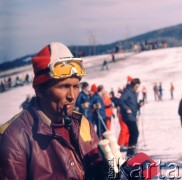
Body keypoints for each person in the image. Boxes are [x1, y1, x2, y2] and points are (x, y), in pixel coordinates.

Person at [0, 42, 105, 179]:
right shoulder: (14, 138)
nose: (72, 96)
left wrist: (111, 172)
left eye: (76, 86)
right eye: (63, 87)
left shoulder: (82, 124)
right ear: (40, 91)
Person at [119, 78, 142, 158]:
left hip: (132, 115)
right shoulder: (128, 92)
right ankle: (130, 151)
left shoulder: (133, 93)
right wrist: (126, 108)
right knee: (135, 133)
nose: (137, 88)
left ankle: (131, 150)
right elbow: (121, 100)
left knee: (134, 133)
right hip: (128, 116)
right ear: (133, 85)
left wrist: (139, 105)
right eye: (136, 86)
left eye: (138, 86)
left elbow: (133, 104)